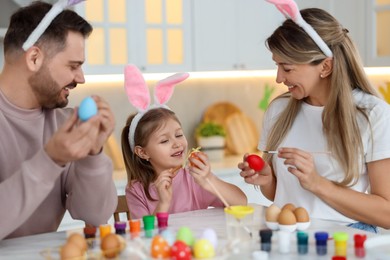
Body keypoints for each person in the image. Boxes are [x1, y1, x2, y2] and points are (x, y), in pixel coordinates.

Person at [239, 2, 390, 233]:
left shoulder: (372, 114)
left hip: (345, 237)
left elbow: (386, 214)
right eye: (277, 66)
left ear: (326, 67)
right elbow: (280, 194)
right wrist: (268, 180)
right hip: (287, 234)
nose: (279, 78)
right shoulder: (279, 111)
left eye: (287, 68)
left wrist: (317, 183)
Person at [0, 2, 117, 240]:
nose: (81, 78)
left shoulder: (65, 124)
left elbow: (94, 216)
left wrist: (92, 156)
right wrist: (50, 159)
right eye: (73, 66)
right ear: (34, 58)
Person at [121, 65, 247, 219]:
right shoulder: (136, 190)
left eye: (179, 135)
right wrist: (163, 203)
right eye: (164, 140)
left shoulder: (193, 177)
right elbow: (143, 235)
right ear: (143, 152)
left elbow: (241, 202)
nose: (176, 143)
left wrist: (209, 179)